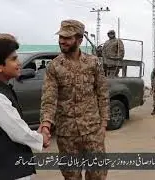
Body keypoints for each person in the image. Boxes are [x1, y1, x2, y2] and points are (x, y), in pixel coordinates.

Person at [39, 19, 109, 180]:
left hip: (93, 130)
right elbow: (49, 98)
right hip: (67, 133)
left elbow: (103, 93)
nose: (62, 41)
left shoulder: (93, 63)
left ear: (79, 40)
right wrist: (45, 125)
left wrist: (103, 124)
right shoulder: (54, 66)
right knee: (71, 176)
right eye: (61, 37)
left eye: (67, 38)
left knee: (98, 175)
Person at [0, 39, 50, 180]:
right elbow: (19, 133)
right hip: (3, 170)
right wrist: (41, 138)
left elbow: (16, 126)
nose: (19, 63)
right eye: (14, 59)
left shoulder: (3, 89)